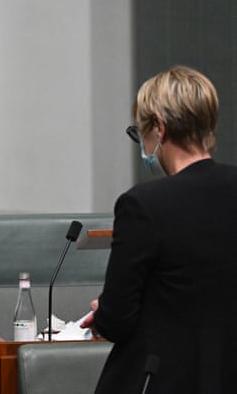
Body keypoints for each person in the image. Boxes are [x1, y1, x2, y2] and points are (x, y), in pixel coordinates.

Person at [80, 66, 237, 393]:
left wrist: (104, 310)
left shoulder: (143, 205)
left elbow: (117, 321)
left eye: (140, 131)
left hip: (162, 379)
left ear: (159, 129)